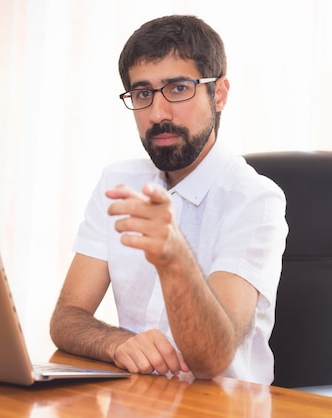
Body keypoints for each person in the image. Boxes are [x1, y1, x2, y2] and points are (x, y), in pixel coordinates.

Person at [49, 14, 288, 385]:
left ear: (219, 94)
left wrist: (174, 256)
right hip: (138, 400)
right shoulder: (118, 182)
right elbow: (66, 317)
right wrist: (116, 342)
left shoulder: (255, 200)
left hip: (222, 408)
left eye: (178, 89)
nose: (158, 114)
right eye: (143, 93)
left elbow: (213, 358)